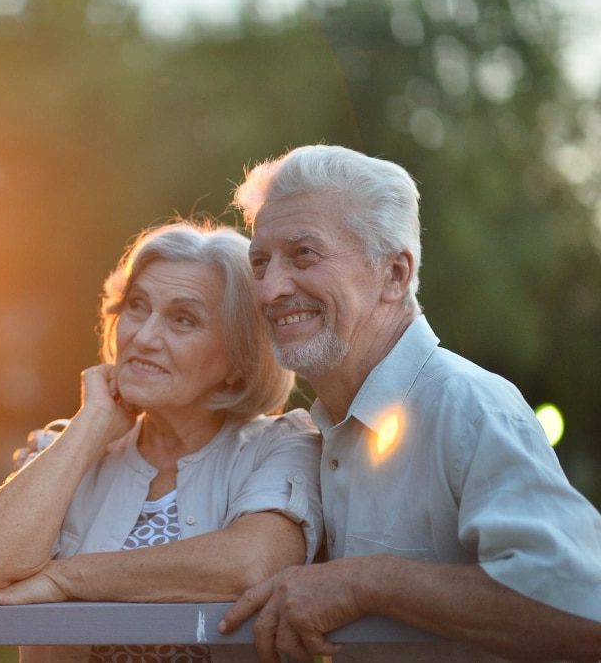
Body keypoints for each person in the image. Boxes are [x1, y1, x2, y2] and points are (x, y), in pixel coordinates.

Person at [217, 144, 601, 662]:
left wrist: (366, 583)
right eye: (260, 262)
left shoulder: (469, 407)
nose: (269, 289)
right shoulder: (317, 430)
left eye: (303, 253)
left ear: (395, 274)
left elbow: (584, 613)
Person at [0, 221, 324, 662]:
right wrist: (93, 420)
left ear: (238, 357)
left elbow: (250, 562)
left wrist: (63, 580)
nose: (144, 337)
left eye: (183, 319)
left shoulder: (282, 444)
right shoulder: (67, 446)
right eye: (137, 307)